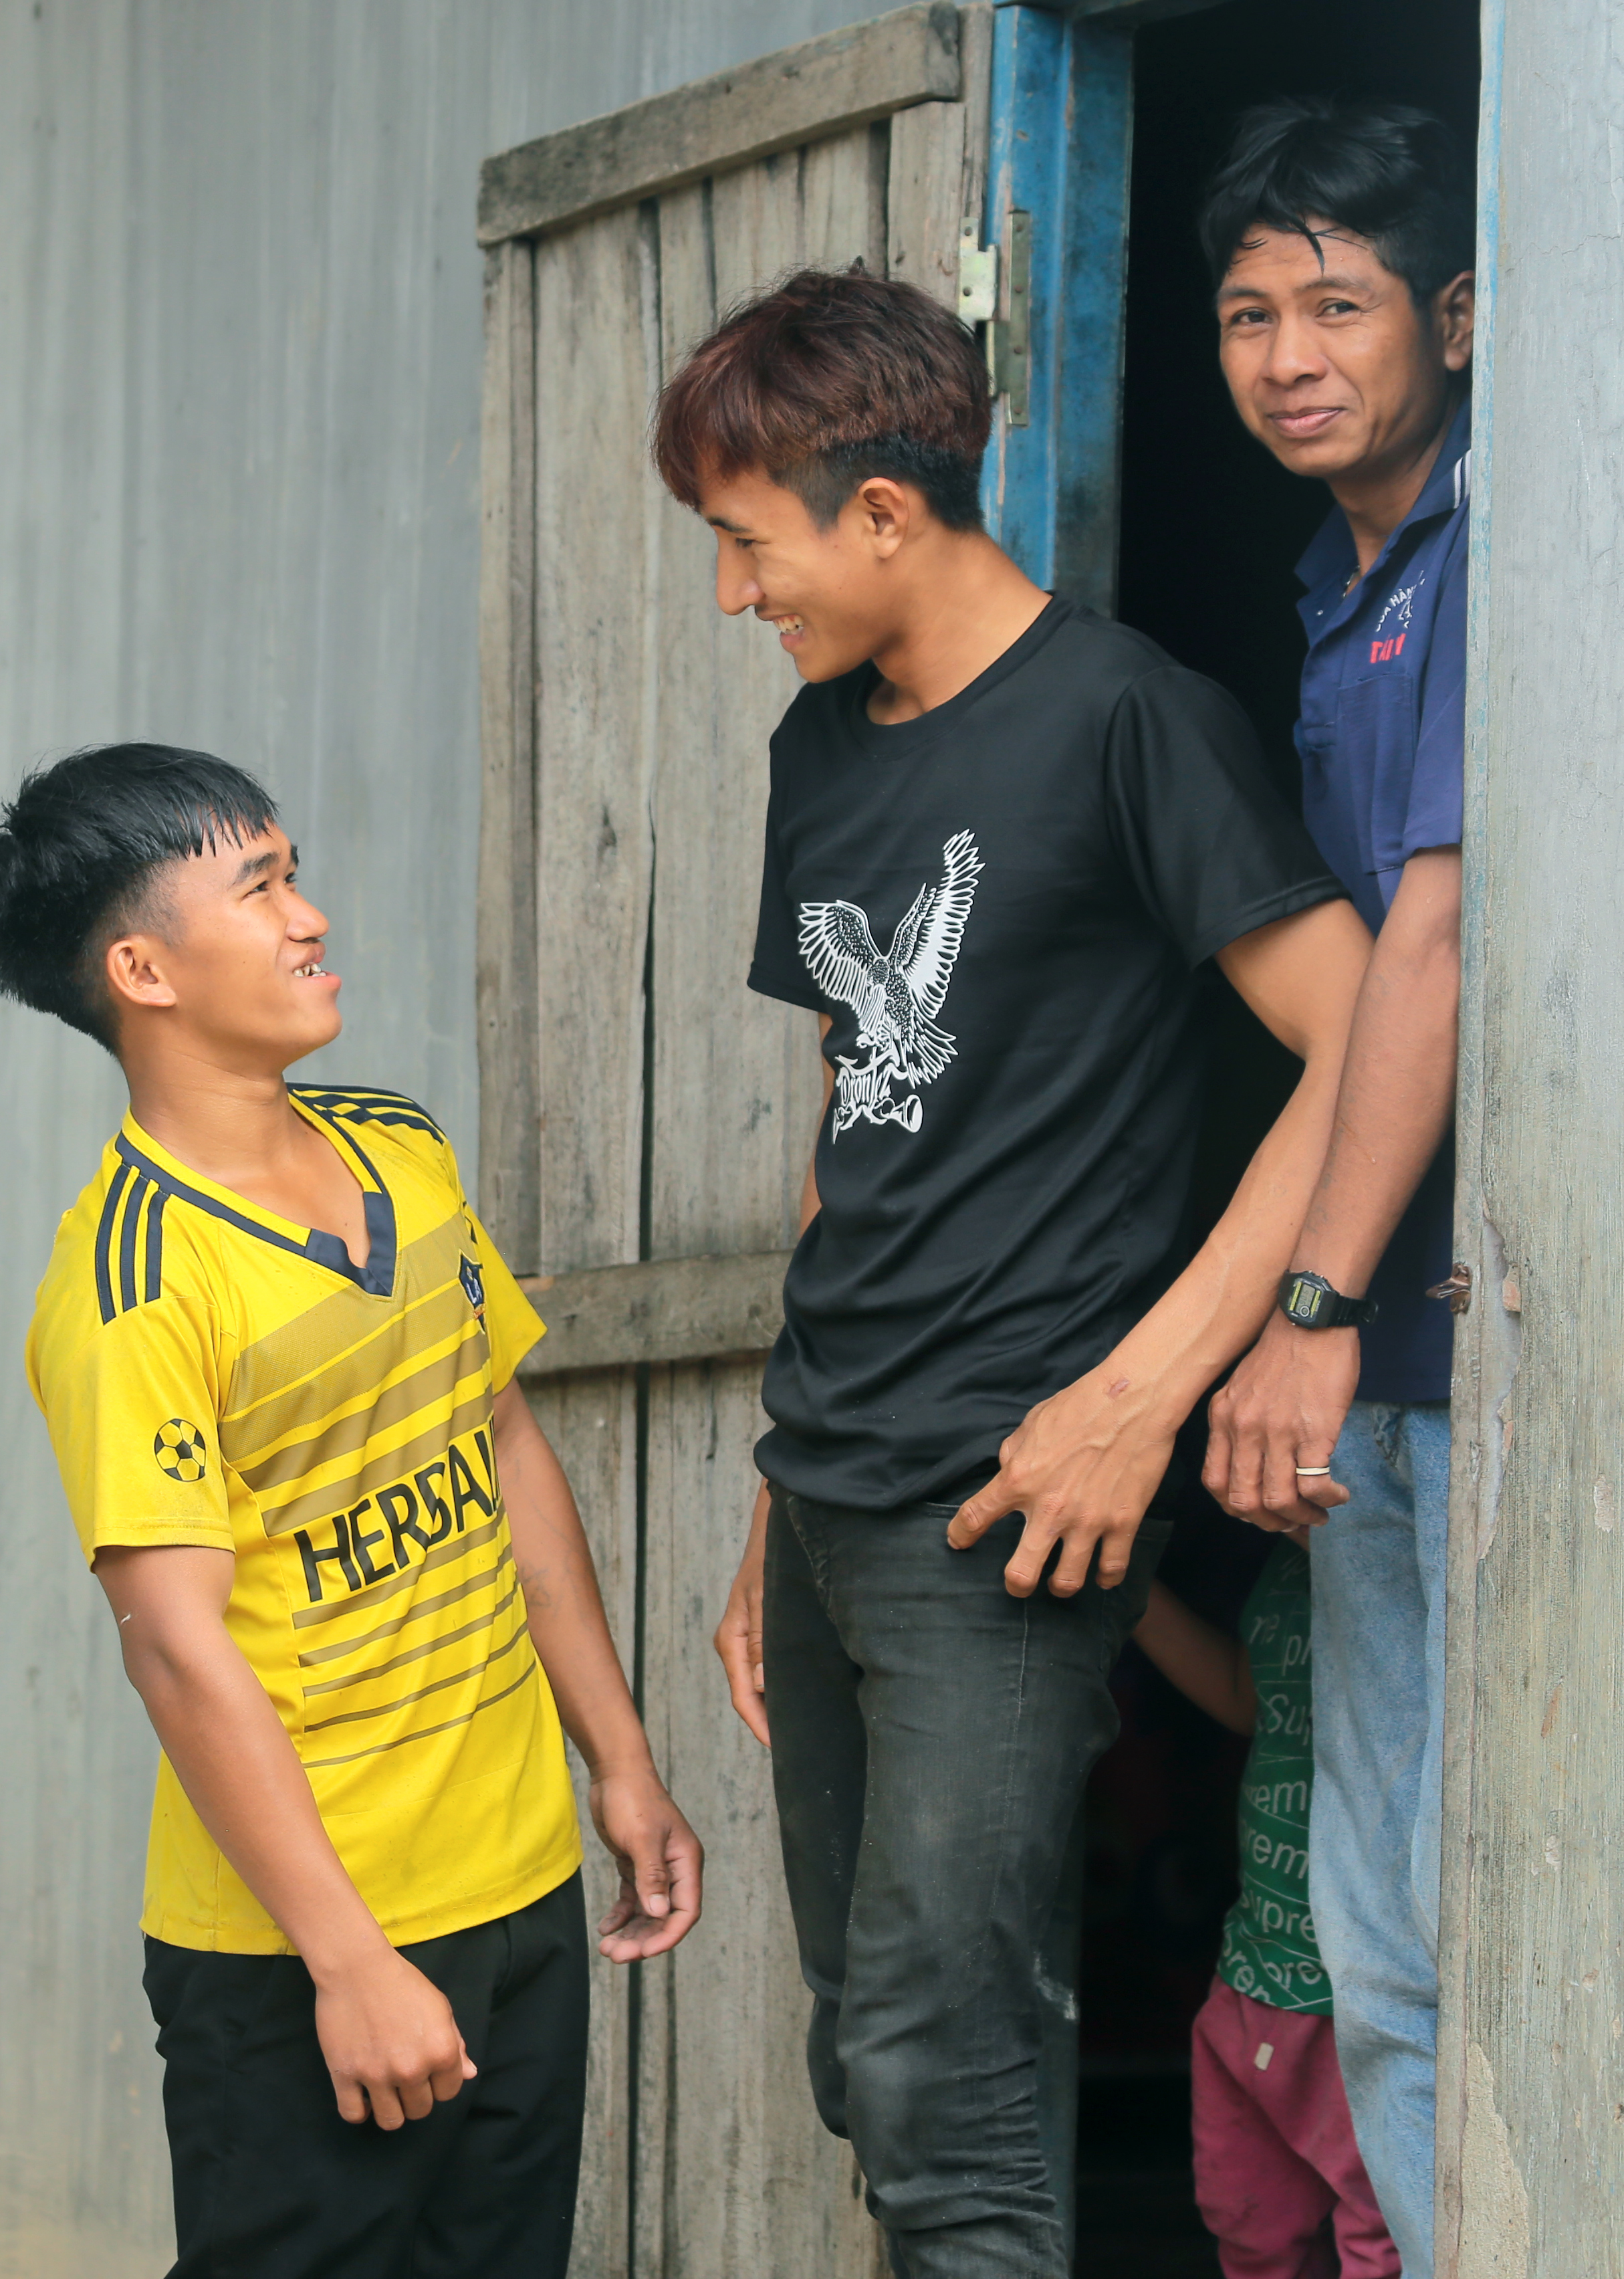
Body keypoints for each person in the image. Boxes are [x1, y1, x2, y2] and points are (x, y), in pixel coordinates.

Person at [649, 268, 1373, 2275]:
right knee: (863, 2063)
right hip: (838, 1480)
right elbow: (848, 1126)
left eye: (744, 542)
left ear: (883, 511)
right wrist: (766, 1504)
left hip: (1013, 1489)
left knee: (944, 2073)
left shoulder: (1133, 718)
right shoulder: (825, 745)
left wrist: (1141, 1396)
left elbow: (1365, 1028)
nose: (733, 598)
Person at [0, 744, 701, 2279]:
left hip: (515, 1878)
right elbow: (175, 1650)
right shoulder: (133, 1284)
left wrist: (617, 1760)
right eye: (262, 885)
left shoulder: (397, 1146)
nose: (311, 916)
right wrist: (347, 1961)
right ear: (142, 966)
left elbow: (497, 1447)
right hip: (303, 1940)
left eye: (295, 870)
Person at [1194, 102, 1475, 2278]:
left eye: (1340, 303)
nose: (1291, 352)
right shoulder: (1338, 582)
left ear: (1453, 320)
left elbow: (1430, 945)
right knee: (1383, 1936)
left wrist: (1308, 1308)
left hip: (1457, 1328)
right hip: (1398, 1338)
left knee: (1453, 1919)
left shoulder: (1491, 557)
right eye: (1249, 312)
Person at [1135, 1554, 1401, 2278]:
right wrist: (1125, 1579)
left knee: (1382, 2242)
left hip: (1356, 1998)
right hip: (1253, 1975)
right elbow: (1251, 1698)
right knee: (1249, 2227)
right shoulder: (1285, 1564)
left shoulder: (1404, 1547)